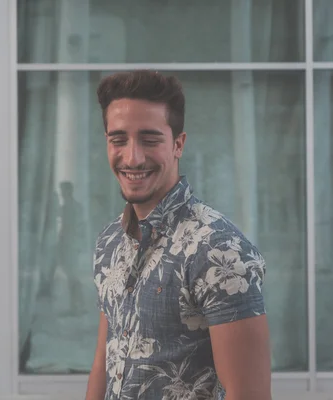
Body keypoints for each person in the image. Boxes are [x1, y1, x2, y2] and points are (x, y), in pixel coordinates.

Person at [85, 70, 271, 400]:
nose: (132, 157)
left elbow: (249, 395)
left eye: (149, 139)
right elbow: (104, 363)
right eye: (118, 139)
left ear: (178, 144)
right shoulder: (110, 240)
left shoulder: (220, 251)